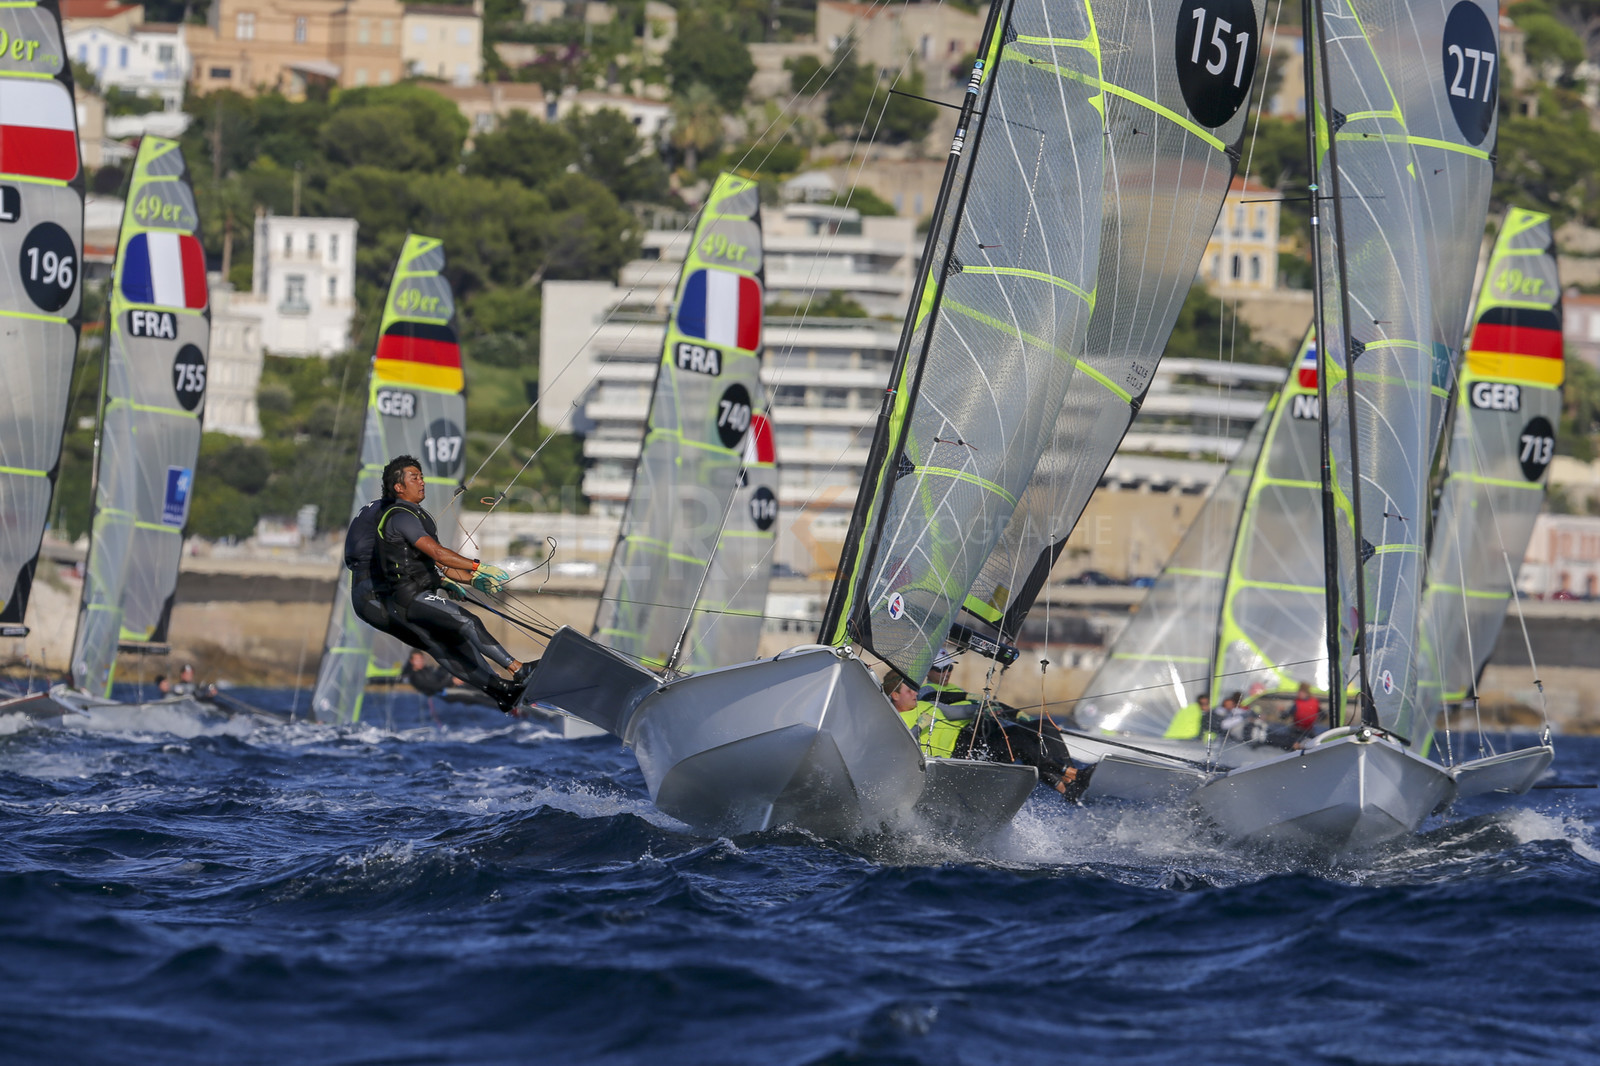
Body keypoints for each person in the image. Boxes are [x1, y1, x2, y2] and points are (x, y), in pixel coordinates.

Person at [373, 455, 532, 713]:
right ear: (399, 487)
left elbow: (442, 568)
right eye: (414, 478)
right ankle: (518, 670)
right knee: (468, 622)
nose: (422, 482)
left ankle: (502, 692)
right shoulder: (400, 516)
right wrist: (478, 566)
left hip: (421, 593)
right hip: (409, 597)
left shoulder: (417, 517)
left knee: (460, 643)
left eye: (422, 476)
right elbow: (437, 553)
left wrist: (476, 580)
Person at [885, 671, 1088, 799]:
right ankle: (1071, 775)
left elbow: (958, 713)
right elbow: (901, 746)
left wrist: (981, 709)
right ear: (894, 695)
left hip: (972, 748)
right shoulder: (894, 719)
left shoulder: (925, 705)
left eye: (914, 689)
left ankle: (1067, 784)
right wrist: (919, 727)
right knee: (1017, 740)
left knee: (1027, 733)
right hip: (951, 762)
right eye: (909, 691)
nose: (915, 693)